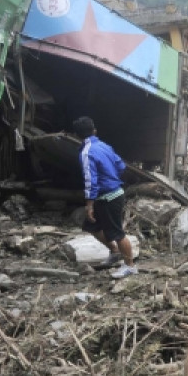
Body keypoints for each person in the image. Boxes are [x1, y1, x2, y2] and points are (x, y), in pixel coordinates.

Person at [73, 116, 138, 279]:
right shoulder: (104, 146)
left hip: (108, 197)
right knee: (91, 227)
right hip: (113, 194)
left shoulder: (86, 152)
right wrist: (111, 177)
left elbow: (90, 180)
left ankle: (130, 266)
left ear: (76, 135)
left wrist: (89, 205)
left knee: (117, 232)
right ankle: (115, 252)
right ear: (94, 131)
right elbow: (121, 165)